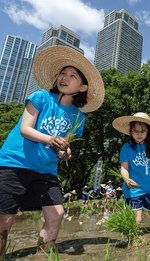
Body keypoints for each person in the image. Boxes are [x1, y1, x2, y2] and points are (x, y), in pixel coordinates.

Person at [0, 45, 104, 255]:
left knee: (56, 214)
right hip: (15, 163)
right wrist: (52, 139)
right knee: (5, 220)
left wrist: (65, 152)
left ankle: (42, 256)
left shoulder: (78, 117)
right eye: (62, 73)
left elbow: (63, 147)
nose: (65, 77)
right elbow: (25, 129)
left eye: (72, 75)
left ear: (83, 87)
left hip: (46, 171)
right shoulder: (40, 97)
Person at [112, 112, 150, 230]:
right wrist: (126, 179)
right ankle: (133, 242)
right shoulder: (126, 148)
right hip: (133, 189)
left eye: (142, 131)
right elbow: (124, 167)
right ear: (130, 131)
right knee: (136, 220)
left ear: (148, 132)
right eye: (136, 131)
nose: (139, 134)